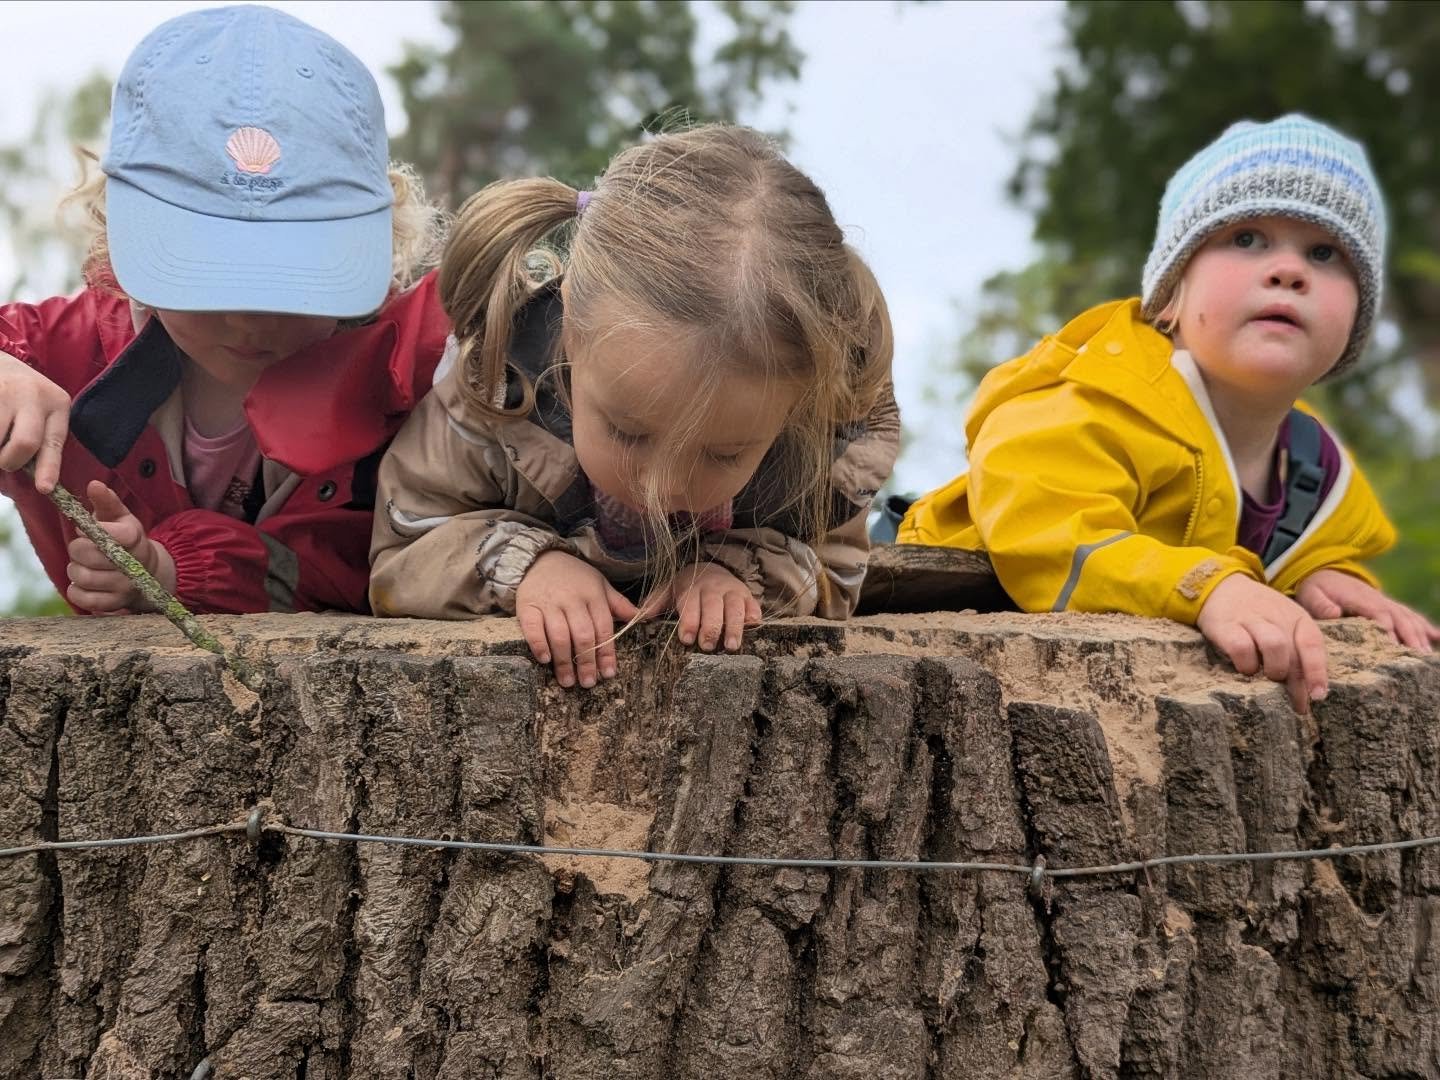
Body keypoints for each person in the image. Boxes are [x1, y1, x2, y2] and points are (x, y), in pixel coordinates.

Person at [900, 114, 1439, 713]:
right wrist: (1204, 585)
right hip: (938, 646)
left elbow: (1303, 543)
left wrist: (1321, 577)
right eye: (1246, 239)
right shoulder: (1098, 398)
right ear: (1170, 296)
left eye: (1324, 252)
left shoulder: (1319, 471)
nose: (1289, 271)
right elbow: (1050, 535)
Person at [370, 124, 899, 688]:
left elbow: (836, 568)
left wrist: (740, 575)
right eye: (627, 432)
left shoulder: (826, 448)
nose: (659, 484)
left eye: (723, 454)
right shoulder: (496, 391)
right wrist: (525, 566)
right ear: (571, 326)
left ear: (798, 405)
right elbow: (405, 548)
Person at [0, 4, 449, 615]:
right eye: (204, 274)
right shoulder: (75, 356)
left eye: (292, 277)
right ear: (118, 228)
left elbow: (357, 568)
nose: (247, 319)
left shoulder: (415, 371)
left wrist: (172, 569)